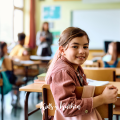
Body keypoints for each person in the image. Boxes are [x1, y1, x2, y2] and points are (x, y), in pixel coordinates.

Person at [44, 27, 118, 119]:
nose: (82, 51)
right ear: (62, 50)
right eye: (75, 46)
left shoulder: (75, 67)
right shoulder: (63, 71)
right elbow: (67, 108)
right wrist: (102, 99)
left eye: (85, 47)